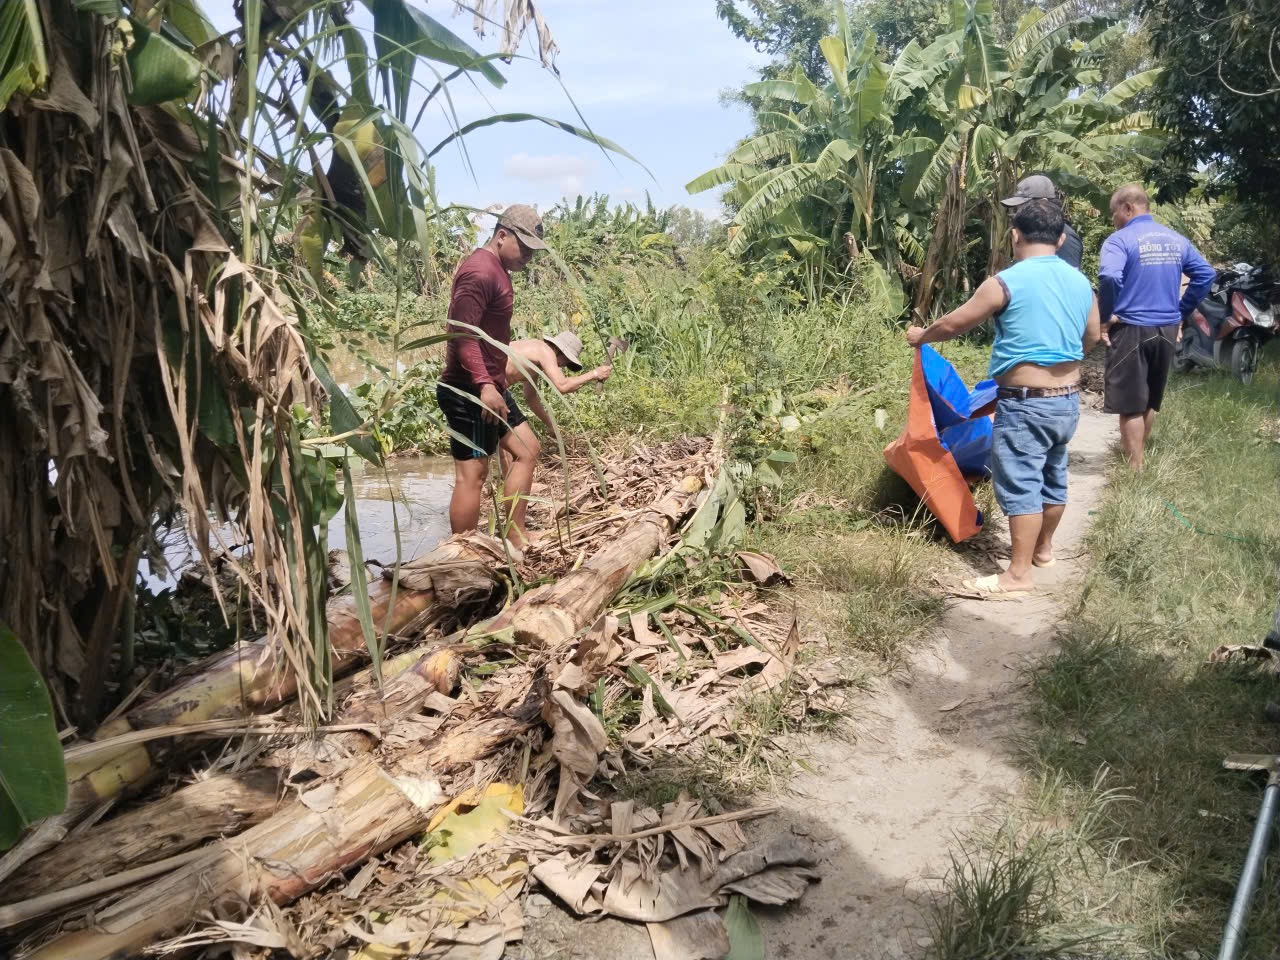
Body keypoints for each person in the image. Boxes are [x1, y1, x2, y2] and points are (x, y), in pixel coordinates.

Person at [906, 198, 1101, 596]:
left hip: (1026, 402)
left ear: (1015, 236)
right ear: (1061, 239)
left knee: (1021, 483)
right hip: (1067, 401)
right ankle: (1043, 551)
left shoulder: (1005, 282)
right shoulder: (1081, 283)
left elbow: (955, 323)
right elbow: (1093, 334)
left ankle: (1017, 575)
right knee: (1052, 476)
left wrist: (922, 336)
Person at [436, 204, 545, 546]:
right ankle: (463, 551)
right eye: (523, 247)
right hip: (467, 387)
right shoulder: (479, 271)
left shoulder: (498, 270)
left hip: (490, 385)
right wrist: (484, 384)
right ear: (501, 236)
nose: (528, 257)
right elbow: (462, 334)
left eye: (532, 251)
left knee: (527, 448)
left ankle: (514, 535)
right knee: (473, 474)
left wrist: (492, 382)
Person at [1098, 183, 1216, 470]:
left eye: (1114, 213)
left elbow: (1110, 277)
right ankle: (1138, 460)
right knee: (1149, 399)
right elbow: (1205, 274)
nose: (1113, 220)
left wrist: (1105, 317)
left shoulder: (1119, 240)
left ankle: (1135, 469)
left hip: (1131, 328)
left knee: (1130, 404)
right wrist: (1180, 312)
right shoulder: (1176, 239)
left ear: (1128, 208)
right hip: (1166, 329)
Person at [496, 331, 613, 542]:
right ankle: (515, 531)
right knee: (525, 450)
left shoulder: (532, 359)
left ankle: (511, 520)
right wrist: (594, 374)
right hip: (492, 390)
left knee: (508, 454)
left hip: (488, 389)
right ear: (559, 351)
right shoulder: (544, 350)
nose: (561, 366)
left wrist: (551, 424)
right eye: (564, 362)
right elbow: (563, 385)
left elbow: (531, 398)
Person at [999, 174, 1083, 270]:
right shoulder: (1030, 233)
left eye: (1022, 206)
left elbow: (1065, 277)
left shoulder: (1066, 238)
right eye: (1017, 208)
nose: (1019, 212)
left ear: (1043, 203)